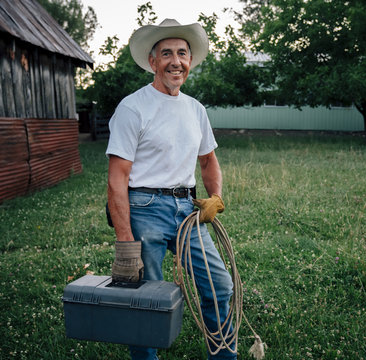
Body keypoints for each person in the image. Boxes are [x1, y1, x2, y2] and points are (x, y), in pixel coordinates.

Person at [105, 19, 236, 360]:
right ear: (152, 62)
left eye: (182, 53)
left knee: (220, 285)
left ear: (189, 61)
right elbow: (117, 178)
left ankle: (223, 354)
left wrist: (215, 198)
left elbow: (208, 161)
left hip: (187, 210)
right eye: (166, 54)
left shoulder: (196, 110)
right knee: (144, 296)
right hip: (144, 206)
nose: (175, 61)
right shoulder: (133, 108)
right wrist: (124, 241)